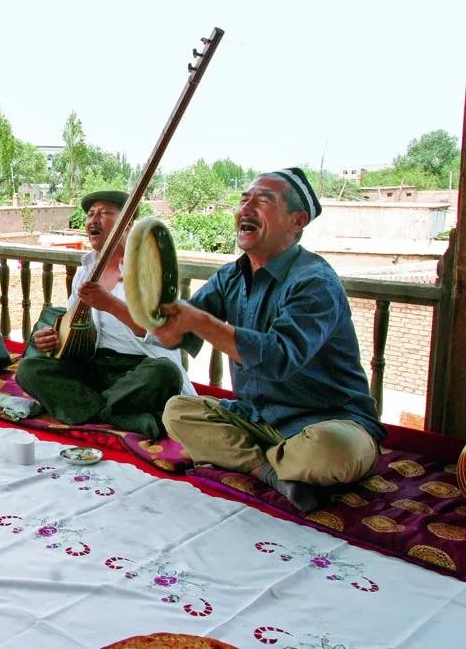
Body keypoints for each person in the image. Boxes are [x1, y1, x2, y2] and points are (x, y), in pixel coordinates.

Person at [153, 168, 384, 512]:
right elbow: (174, 332)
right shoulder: (231, 275)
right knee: (177, 411)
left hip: (326, 422)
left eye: (263, 200)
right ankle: (271, 472)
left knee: (333, 450)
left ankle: (254, 458)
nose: (246, 208)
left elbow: (278, 359)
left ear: (296, 220)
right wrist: (123, 303)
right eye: (244, 199)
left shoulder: (314, 281)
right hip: (257, 418)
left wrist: (199, 320)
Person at [16, 191, 193, 438]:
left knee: (165, 373)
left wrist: (110, 304)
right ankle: (116, 413)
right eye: (90, 214)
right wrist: (53, 337)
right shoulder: (86, 270)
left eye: (104, 213)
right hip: (96, 365)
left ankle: (89, 409)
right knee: (29, 369)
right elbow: (73, 325)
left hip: (141, 368)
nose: (93, 220)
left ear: (127, 223)